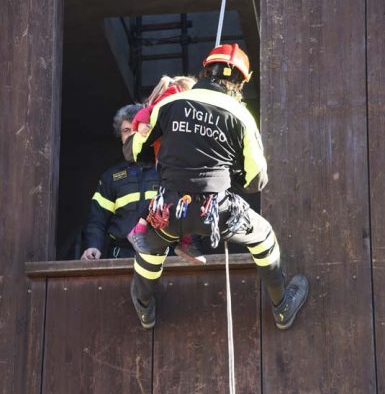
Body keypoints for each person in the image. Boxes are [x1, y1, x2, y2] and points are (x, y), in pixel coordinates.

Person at [124, 43, 309, 330]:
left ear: (205, 70)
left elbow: (135, 152)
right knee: (264, 238)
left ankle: (145, 311)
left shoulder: (169, 104)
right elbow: (256, 180)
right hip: (217, 213)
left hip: (168, 212)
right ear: (239, 82)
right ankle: (282, 307)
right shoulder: (241, 116)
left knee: (149, 249)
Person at [129, 74, 206, 265]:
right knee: (180, 197)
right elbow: (145, 113)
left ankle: (185, 241)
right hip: (171, 161)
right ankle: (140, 230)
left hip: (170, 161)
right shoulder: (174, 100)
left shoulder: (173, 102)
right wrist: (140, 126)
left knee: (181, 200)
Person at [80, 104, 159, 259]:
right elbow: (97, 220)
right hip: (121, 256)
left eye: (136, 129)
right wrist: (92, 246)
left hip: (162, 256)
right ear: (120, 136)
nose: (131, 135)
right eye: (126, 131)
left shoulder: (166, 170)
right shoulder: (111, 176)